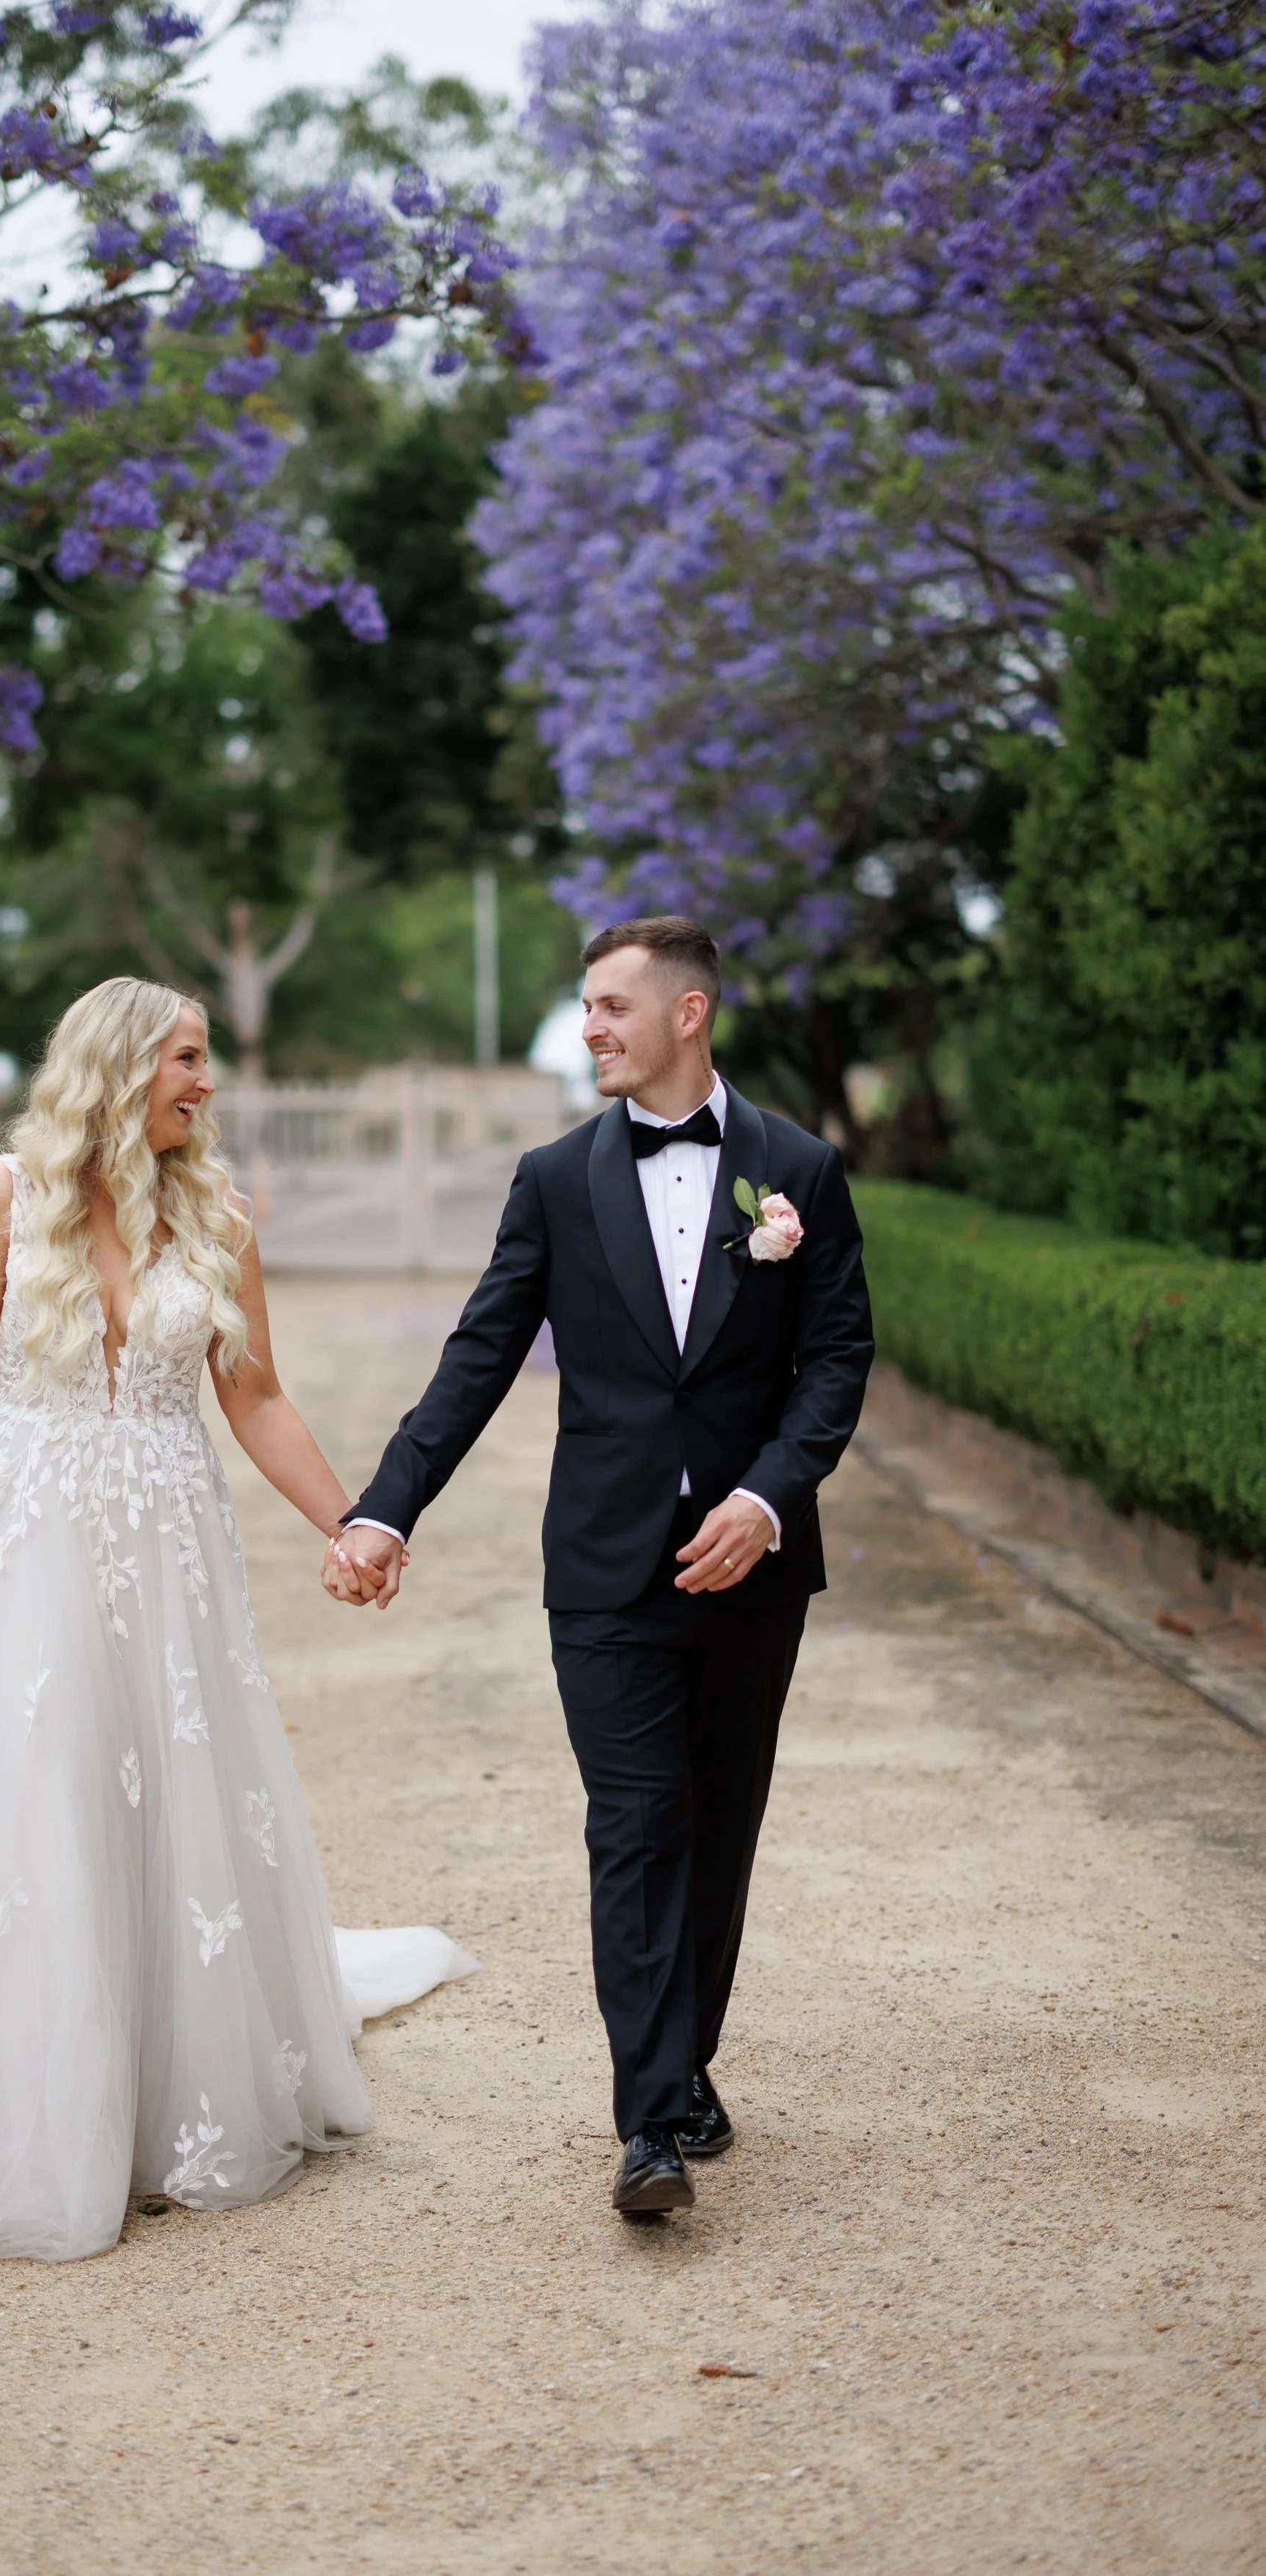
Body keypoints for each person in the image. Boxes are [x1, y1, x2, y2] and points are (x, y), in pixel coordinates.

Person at [0, 978, 471, 2263]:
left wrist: (350, 1520)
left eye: (207, 1058)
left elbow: (259, 1397)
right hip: (29, 1538)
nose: (208, 1080)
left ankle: (174, 2091)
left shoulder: (217, 1212)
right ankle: (40, 2114)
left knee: (173, 1801)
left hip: (171, 1549)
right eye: (187, 1056)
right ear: (120, 1065)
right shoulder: (3, 1200)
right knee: (39, 1801)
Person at [325, 916, 873, 2216]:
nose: (592, 1028)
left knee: (720, 1825)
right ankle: (651, 2124)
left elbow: (836, 1360)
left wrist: (767, 1496)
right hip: (606, 1571)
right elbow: (478, 1355)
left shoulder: (799, 1169)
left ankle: (685, 2064)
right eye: (586, 1006)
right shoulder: (556, 1179)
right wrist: (386, 1509)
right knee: (637, 1825)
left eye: (615, 1006)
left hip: (752, 1567)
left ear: (690, 1014)